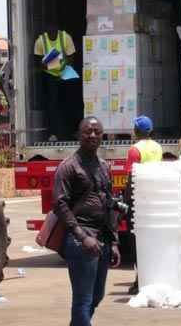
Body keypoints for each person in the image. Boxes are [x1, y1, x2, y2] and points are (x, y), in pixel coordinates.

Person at [53, 117, 121, 326]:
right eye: (88, 131)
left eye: (97, 132)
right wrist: (82, 237)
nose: (92, 135)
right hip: (81, 240)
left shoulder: (103, 166)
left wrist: (115, 241)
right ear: (79, 135)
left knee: (96, 296)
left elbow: (109, 203)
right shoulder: (69, 167)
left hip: (103, 240)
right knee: (83, 300)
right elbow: (60, 205)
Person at [124, 115, 163, 295]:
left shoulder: (134, 150)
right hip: (154, 198)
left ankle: (141, 279)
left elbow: (131, 177)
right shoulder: (158, 147)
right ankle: (152, 276)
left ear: (136, 131)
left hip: (138, 199)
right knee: (152, 239)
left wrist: (126, 202)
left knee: (137, 241)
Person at [34, 26, 77, 141]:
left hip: (65, 75)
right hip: (50, 76)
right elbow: (38, 62)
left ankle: (69, 131)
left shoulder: (65, 37)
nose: (51, 30)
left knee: (68, 103)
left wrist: (63, 73)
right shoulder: (40, 41)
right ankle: (53, 133)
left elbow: (71, 59)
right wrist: (52, 64)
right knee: (52, 104)